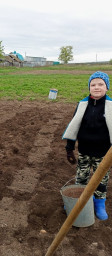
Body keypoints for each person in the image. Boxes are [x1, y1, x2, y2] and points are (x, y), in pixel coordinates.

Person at [62, 71, 112, 220]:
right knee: (81, 177)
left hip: (103, 154)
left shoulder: (110, 106)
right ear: (89, 87)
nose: (96, 87)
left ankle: (99, 203)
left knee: (101, 179)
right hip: (84, 151)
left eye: (100, 84)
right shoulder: (82, 105)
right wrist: (69, 149)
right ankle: (79, 200)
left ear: (107, 87)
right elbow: (74, 126)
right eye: (93, 84)